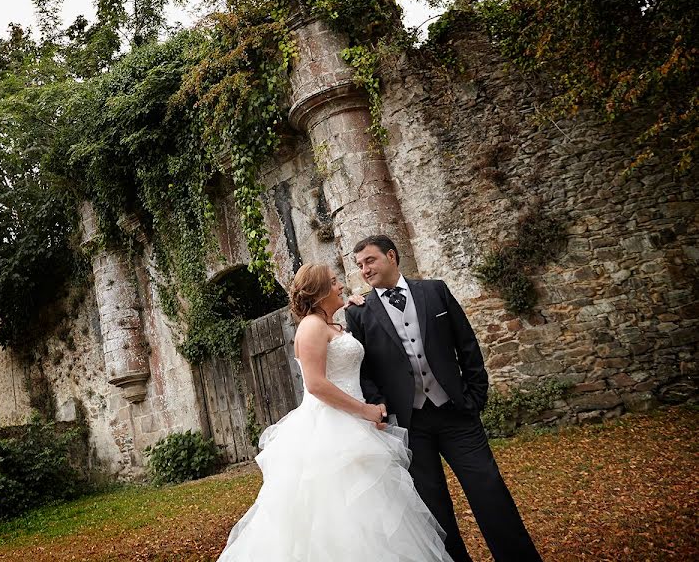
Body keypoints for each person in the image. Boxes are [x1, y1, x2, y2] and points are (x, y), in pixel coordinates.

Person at [218, 263, 452, 562]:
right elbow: (316, 385)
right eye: (333, 282)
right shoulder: (311, 327)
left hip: (356, 422)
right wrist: (365, 410)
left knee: (378, 509)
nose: (340, 286)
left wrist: (355, 305)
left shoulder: (332, 325)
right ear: (317, 293)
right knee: (342, 514)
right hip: (330, 428)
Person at [345, 234, 542, 562]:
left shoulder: (434, 290)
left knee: (490, 491)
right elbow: (363, 370)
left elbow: (466, 343)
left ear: (392, 256)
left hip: (456, 413)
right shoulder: (359, 313)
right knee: (434, 508)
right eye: (360, 265)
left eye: (370, 261)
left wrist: (475, 395)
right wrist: (381, 407)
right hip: (410, 424)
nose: (365, 270)